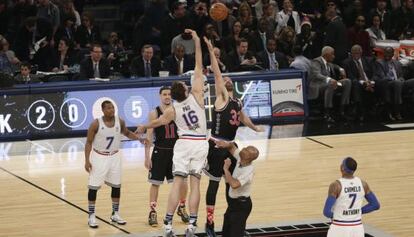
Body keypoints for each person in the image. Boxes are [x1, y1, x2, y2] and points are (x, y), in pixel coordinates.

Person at [136, 29, 207, 237]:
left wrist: (143, 126)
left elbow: (157, 121)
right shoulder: (196, 96)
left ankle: (167, 222)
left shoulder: (172, 109)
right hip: (199, 142)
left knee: (177, 183)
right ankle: (192, 225)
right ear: (186, 91)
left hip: (182, 144)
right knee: (194, 184)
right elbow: (199, 65)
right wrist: (195, 40)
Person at [203, 37, 263, 237]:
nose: (226, 79)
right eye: (225, 79)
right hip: (216, 144)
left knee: (232, 183)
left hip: (230, 145)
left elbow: (243, 117)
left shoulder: (237, 101)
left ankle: (232, 218)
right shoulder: (221, 98)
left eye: (229, 79)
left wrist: (254, 128)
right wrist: (211, 51)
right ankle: (209, 223)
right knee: (214, 184)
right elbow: (217, 73)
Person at [84, 100, 141, 228]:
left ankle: (115, 213)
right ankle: (91, 216)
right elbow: (88, 142)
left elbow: (126, 133)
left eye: (113, 108)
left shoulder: (119, 121)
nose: (111, 110)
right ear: (103, 110)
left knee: (116, 186)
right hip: (99, 157)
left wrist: (139, 139)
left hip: (115, 156)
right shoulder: (95, 124)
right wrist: (87, 160)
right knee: (93, 187)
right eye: (108, 108)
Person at [144, 86, 190, 227]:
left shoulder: (178, 110)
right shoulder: (154, 113)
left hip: (176, 152)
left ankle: (182, 207)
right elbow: (149, 134)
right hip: (160, 151)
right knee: (155, 183)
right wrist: (147, 156)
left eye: (169, 94)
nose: (167, 97)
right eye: (164, 94)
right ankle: (152, 211)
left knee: (182, 182)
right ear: (160, 96)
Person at [323, 157, 380, 237]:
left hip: (339, 227)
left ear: (342, 168)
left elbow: (326, 212)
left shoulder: (336, 186)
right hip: (357, 228)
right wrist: (358, 211)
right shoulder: (363, 184)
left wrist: (337, 215)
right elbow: (375, 205)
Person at [214, 140, 259, 237]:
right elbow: (232, 147)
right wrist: (224, 143)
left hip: (241, 207)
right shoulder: (241, 158)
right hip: (233, 204)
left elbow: (234, 184)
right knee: (226, 232)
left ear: (249, 158)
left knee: (235, 234)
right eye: (246, 149)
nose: (244, 150)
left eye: (247, 151)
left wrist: (226, 169)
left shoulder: (248, 170)